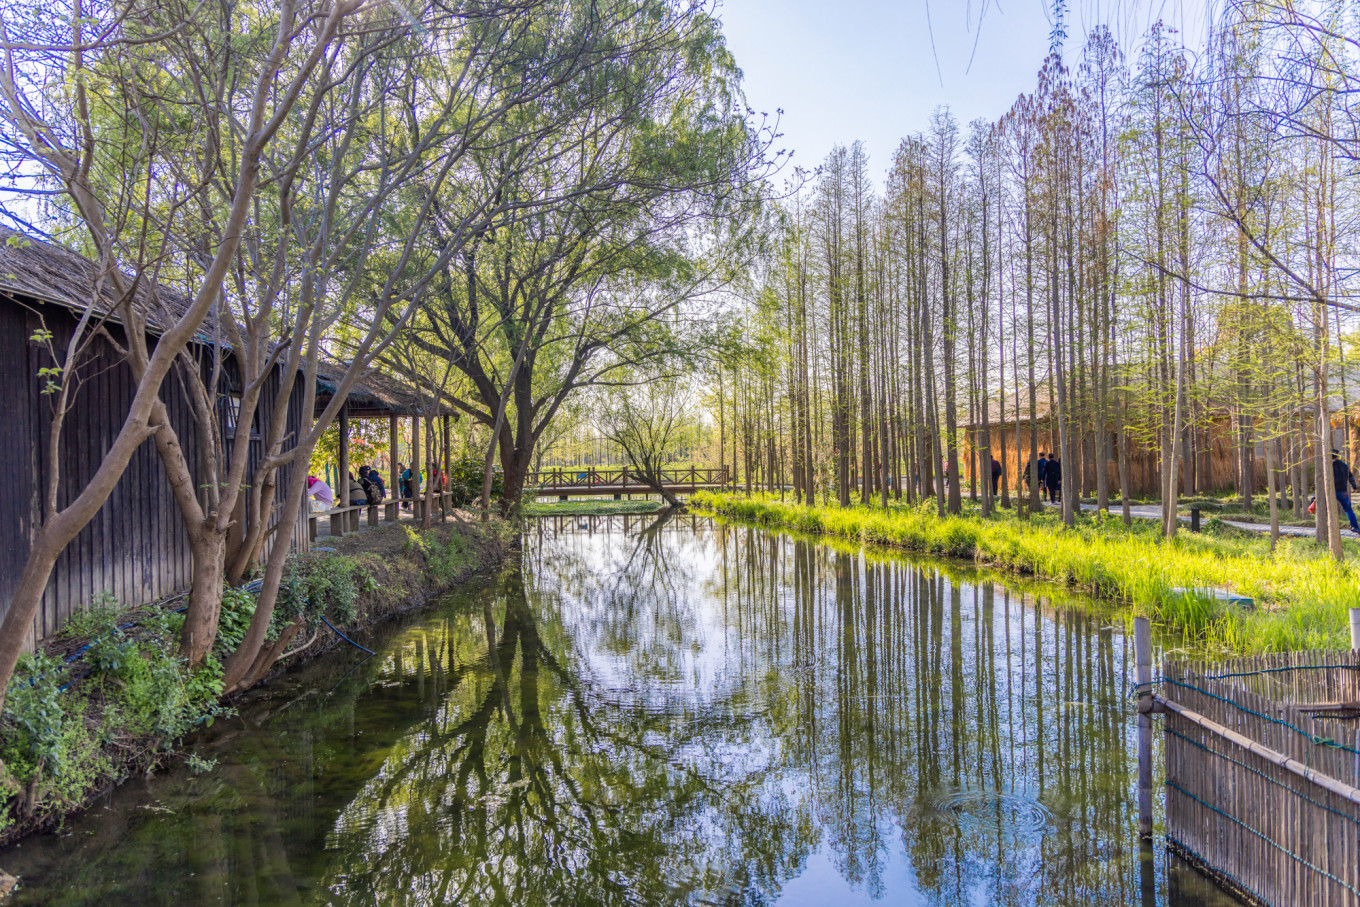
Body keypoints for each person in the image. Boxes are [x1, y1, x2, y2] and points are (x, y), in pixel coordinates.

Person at [1332, 449, 1360, 534]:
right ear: (1338, 455)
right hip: (1342, 491)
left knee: (1325, 507)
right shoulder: (1344, 465)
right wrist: (1354, 486)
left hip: (1332, 491)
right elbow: (1351, 477)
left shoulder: (1328, 465)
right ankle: (1355, 527)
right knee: (1348, 509)